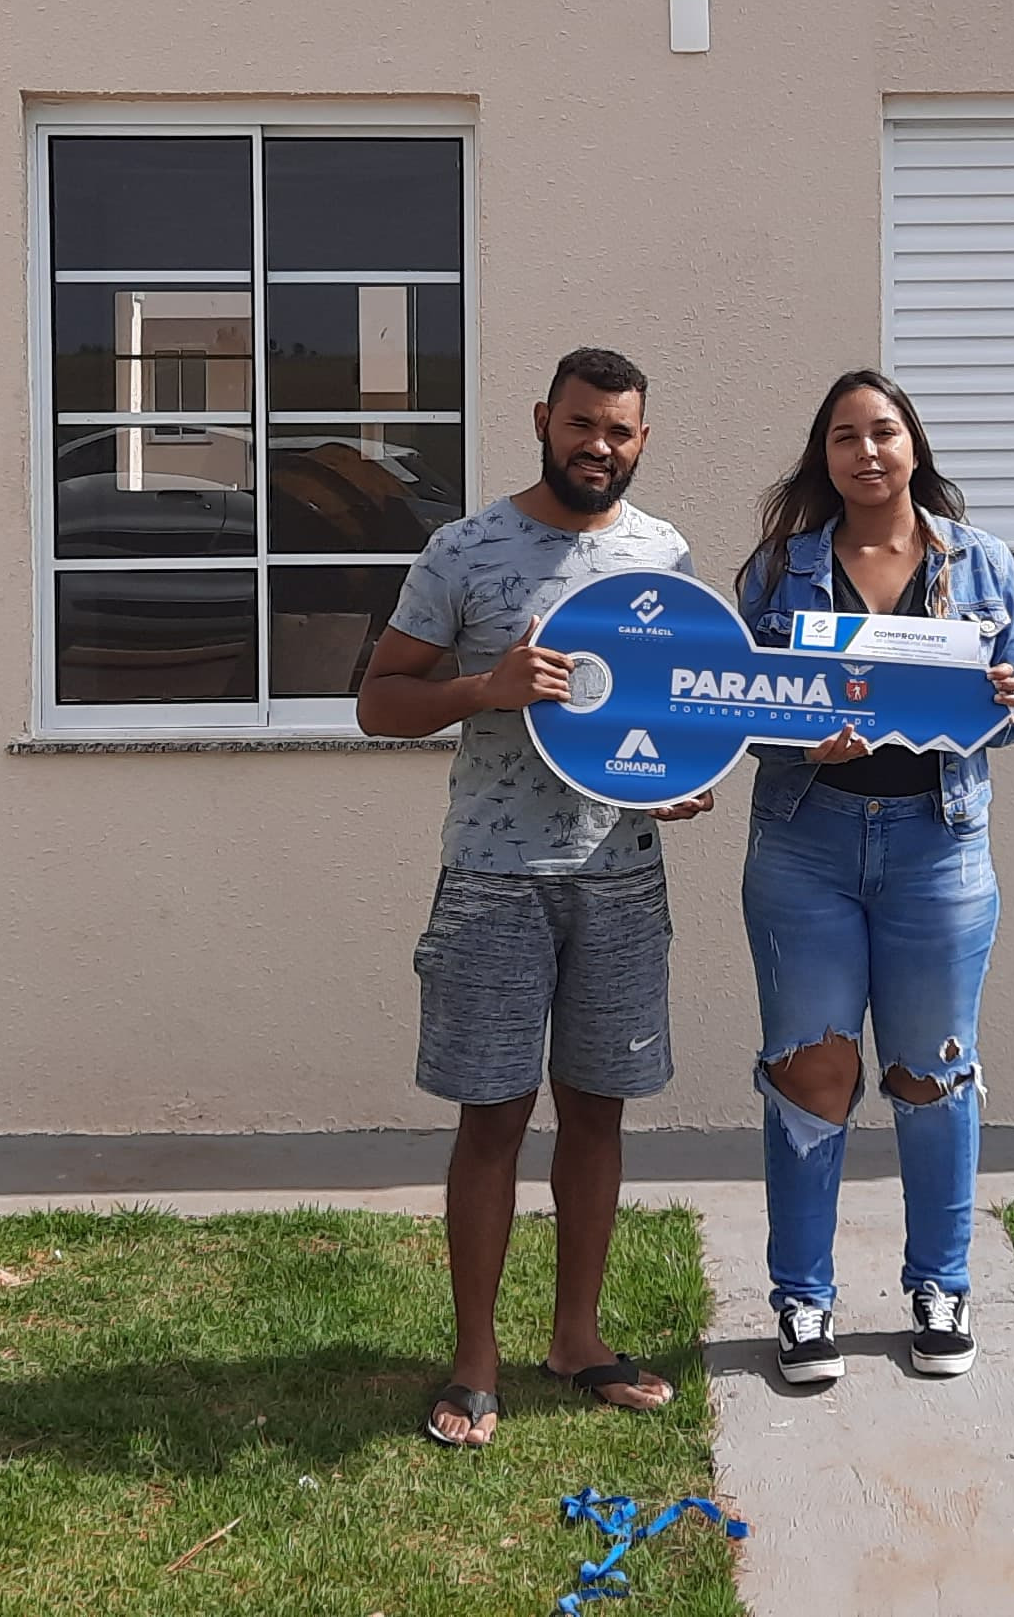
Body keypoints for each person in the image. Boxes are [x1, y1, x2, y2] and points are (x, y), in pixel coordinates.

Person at [359, 346, 714, 1448]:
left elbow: (666, 714)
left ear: (641, 439)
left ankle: (575, 1338)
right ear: (541, 422)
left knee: (598, 1112)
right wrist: (485, 689)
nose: (596, 446)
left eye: (618, 430)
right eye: (579, 425)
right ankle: (473, 1363)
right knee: (493, 1119)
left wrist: (674, 785)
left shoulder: (663, 553)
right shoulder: (463, 549)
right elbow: (379, 703)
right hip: (495, 879)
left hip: (619, 879)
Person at [731, 369, 1014, 1384]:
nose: (866, 452)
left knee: (930, 1069)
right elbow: (736, 704)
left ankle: (939, 1286)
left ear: (914, 445)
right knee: (808, 1071)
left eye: (883, 432)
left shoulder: (980, 560)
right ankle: (803, 1303)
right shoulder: (780, 568)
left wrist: (1001, 697)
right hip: (805, 844)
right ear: (823, 457)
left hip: (937, 844)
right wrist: (795, 740)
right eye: (843, 437)